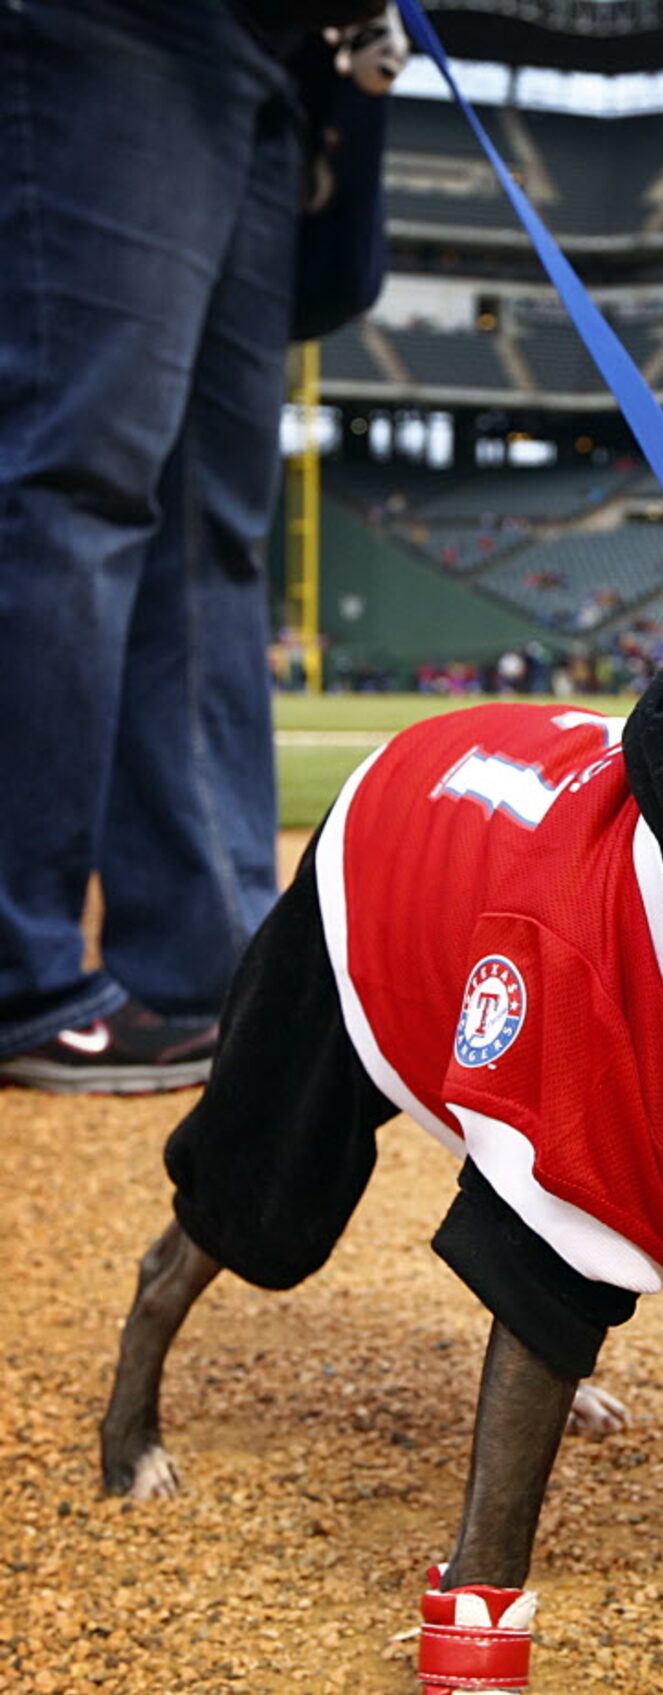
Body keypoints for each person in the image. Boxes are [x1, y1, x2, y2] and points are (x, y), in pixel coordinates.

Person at [0, 0, 399, 1094]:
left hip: (276, 57)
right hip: (122, 28)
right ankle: (18, 972)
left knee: (208, 534)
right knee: (77, 475)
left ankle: (205, 967)